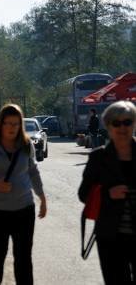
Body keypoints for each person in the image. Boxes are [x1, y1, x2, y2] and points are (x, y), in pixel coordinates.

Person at [0, 104, 47, 285]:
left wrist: (42, 198)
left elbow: (33, 171)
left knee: (23, 257)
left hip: (24, 210)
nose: (12, 128)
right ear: (0, 124)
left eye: (16, 124)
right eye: (8, 123)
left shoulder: (27, 145)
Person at [78, 101, 136, 284]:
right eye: (116, 123)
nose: (122, 128)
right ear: (108, 127)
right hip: (110, 236)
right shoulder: (98, 157)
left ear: (134, 124)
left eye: (127, 122)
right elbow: (83, 194)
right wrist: (108, 194)